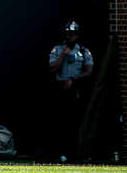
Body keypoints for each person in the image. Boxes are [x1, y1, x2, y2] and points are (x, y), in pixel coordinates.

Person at [48, 21, 94, 163]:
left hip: (76, 89)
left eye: (74, 34)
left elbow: (89, 71)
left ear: (78, 35)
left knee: (75, 122)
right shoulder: (57, 49)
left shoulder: (84, 51)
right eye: (69, 34)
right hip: (60, 88)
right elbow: (52, 67)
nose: (71, 37)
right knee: (60, 122)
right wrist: (63, 55)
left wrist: (74, 80)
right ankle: (60, 152)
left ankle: (76, 154)